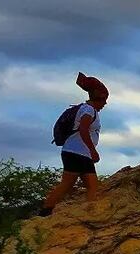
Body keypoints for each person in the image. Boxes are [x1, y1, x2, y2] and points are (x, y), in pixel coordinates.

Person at [39, 73, 109, 217]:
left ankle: (89, 212)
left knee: (92, 185)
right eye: (104, 101)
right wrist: (92, 150)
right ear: (99, 98)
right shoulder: (89, 110)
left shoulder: (86, 108)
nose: (105, 105)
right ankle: (45, 211)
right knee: (67, 184)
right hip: (77, 153)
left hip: (79, 153)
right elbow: (83, 129)